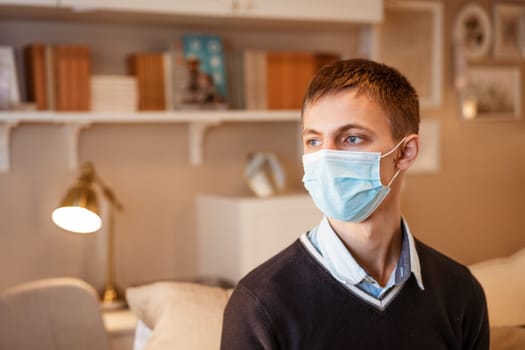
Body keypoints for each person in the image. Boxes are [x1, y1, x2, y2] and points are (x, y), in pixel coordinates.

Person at [220, 58, 490, 349]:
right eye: (313, 141)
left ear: (406, 152)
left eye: (351, 138)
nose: (326, 157)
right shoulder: (260, 305)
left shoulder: (461, 293)